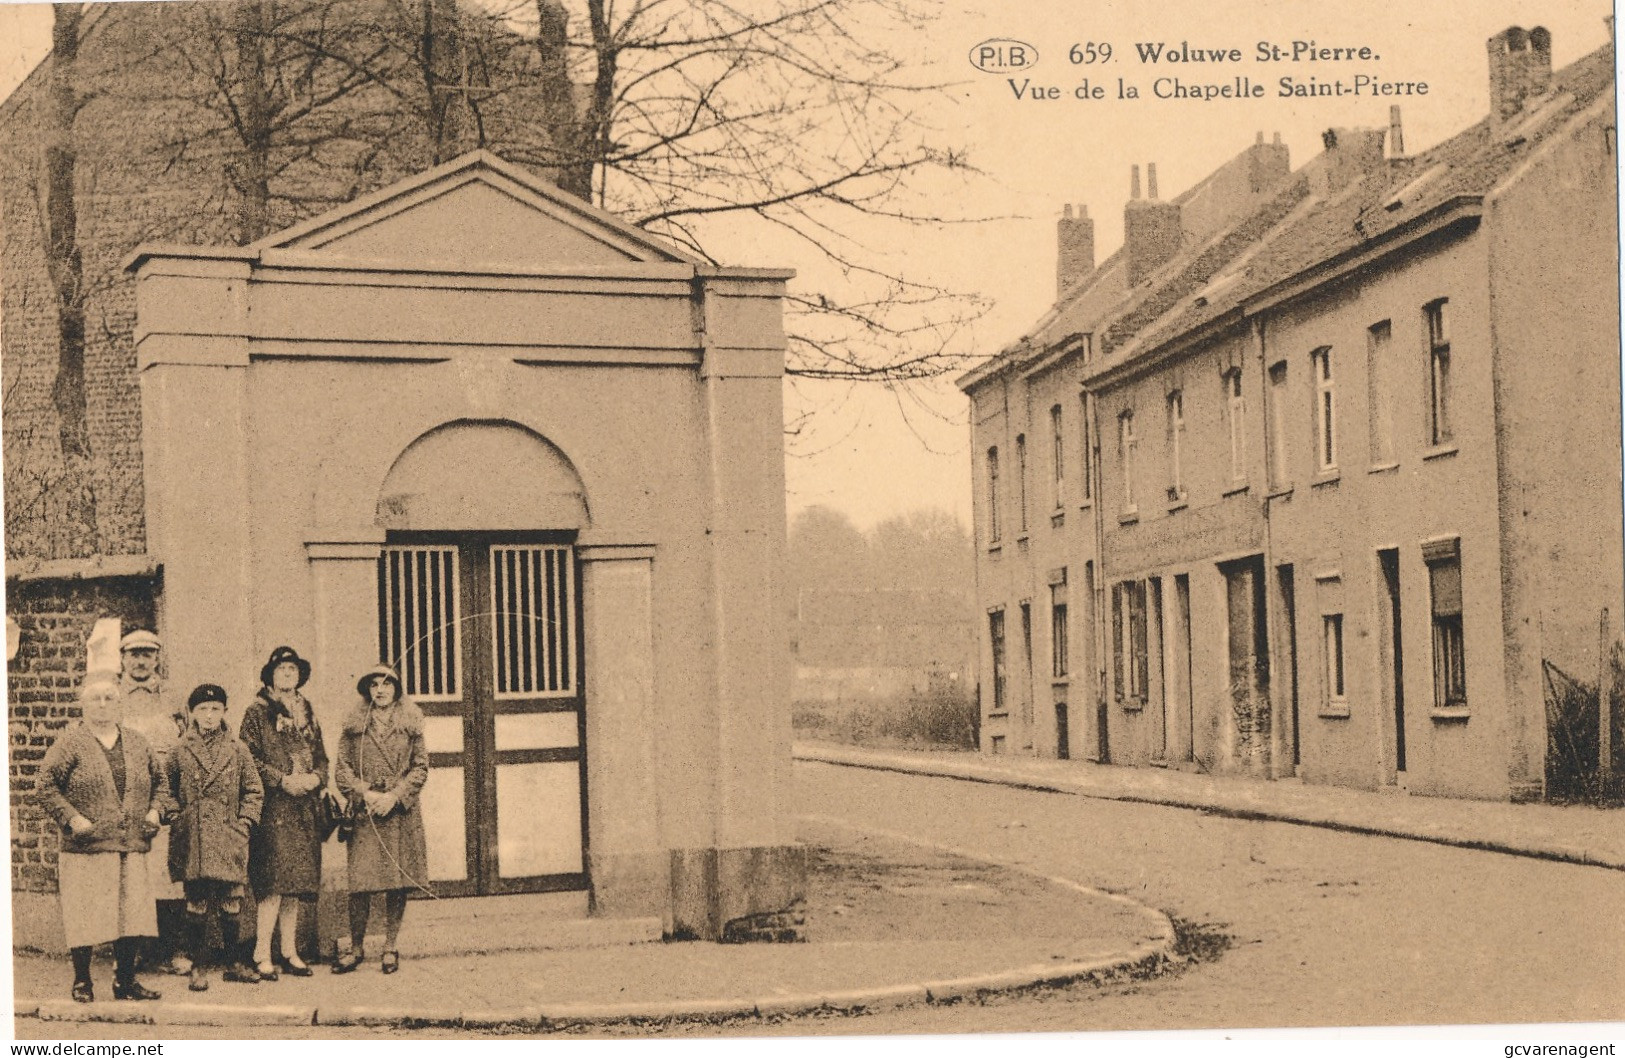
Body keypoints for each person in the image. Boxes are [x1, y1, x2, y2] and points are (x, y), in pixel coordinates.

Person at [32, 669, 166, 1003]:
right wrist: (72, 817)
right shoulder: (70, 744)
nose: (103, 705)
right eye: (95, 698)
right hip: (87, 846)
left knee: (131, 913)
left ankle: (126, 982)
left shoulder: (137, 742)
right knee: (86, 913)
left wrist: (155, 811)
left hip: (131, 843)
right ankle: (82, 981)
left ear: (119, 703)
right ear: (83, 704)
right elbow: (44, 786)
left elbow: (161, 782)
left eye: (110, 698)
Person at [167, 684, 265, 992]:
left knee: (230, 900)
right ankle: (198, 966)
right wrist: (176, 816)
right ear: (193, 714)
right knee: (196, 901)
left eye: (216, 709)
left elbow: (254, 790)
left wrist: (245, 822)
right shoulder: (180, 749)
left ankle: (234, 963)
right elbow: (165, 789)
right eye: (203, 710)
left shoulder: (238, 749)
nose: (209, 716)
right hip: (194, 837)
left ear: (224, 712)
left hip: (228, 836)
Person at [239, 646, 329, 979]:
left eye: (293, 669)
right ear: (270, 676)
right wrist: (281, 781)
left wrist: (316, 778)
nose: (288, 674)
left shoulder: (307, 710)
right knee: (273, 884)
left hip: (303, 807)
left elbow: (322, 757)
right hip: (273, 808)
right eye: (281, 670)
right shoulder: (256, 712)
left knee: (294, 884)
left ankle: (289, 952)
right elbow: (248, 760)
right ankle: (262, 953)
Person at [333, 665, 428, 974]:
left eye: (387, 684)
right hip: (366, 812)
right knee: (361, 884)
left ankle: (390, 947)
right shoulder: (354, 726)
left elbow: (421, 767)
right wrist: (365, 794)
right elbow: (342, 769)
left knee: (396, 883)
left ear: (397, 689)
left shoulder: (411, 724)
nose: (380, 690)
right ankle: (356, 948)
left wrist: (395, 796)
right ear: (367, 690)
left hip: (398, 812)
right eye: (374, 684)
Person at [117, 629, 191, 975]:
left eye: (147, 654)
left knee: (168, 873)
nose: (141, 660)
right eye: (134, 654)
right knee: (133, 875)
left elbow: (186, 745)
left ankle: (175, 949)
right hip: (127, 798)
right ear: (123, 659)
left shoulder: (172, 697)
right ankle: (135, 952)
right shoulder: (112, 697)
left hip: (166, 798)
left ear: (157, 658)